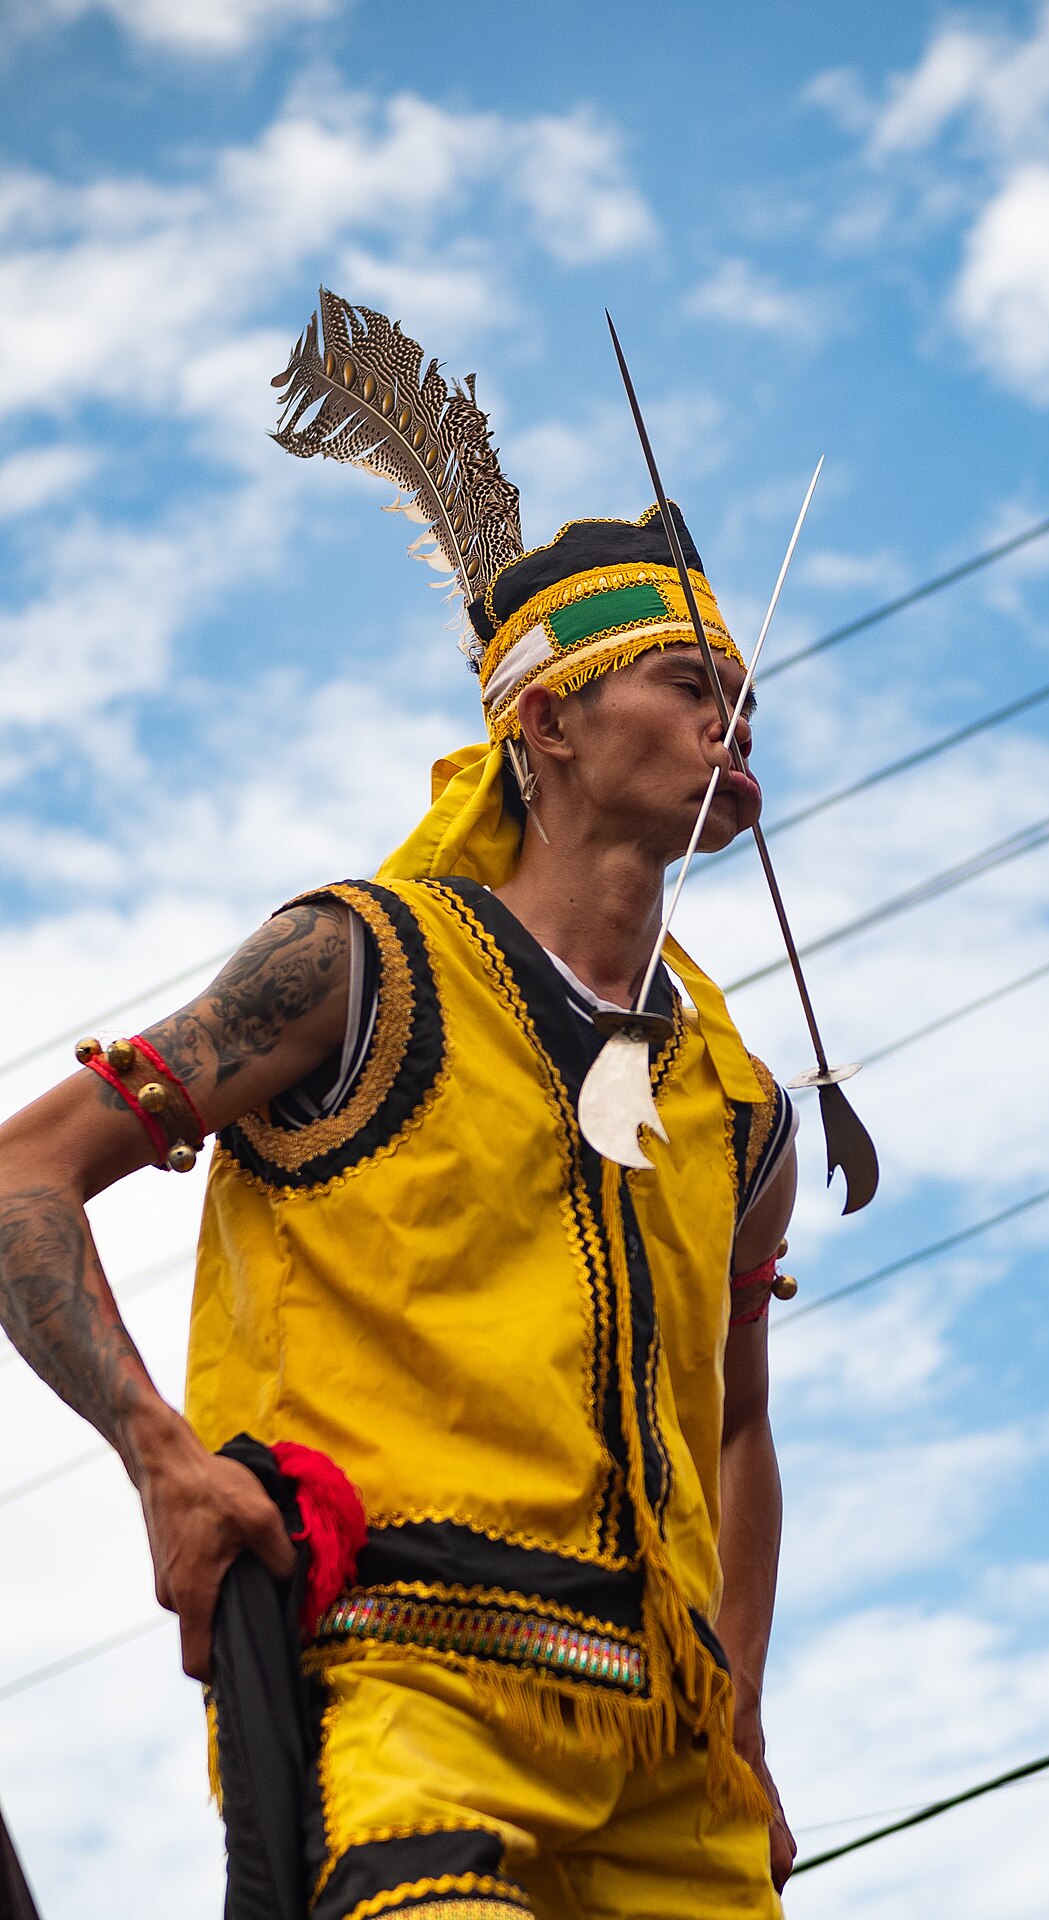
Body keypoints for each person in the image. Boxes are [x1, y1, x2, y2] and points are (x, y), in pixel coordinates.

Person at [0, 291, 809, 1920]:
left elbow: (732, 1420)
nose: (735, 710)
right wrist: (159, 1455)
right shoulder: (355, 966)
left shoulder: (739, 1109)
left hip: (669, 1778)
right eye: (680, 676)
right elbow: (23, 1171)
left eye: (742, 682)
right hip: (410, 1701)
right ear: (548, 724)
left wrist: (742, 1703)